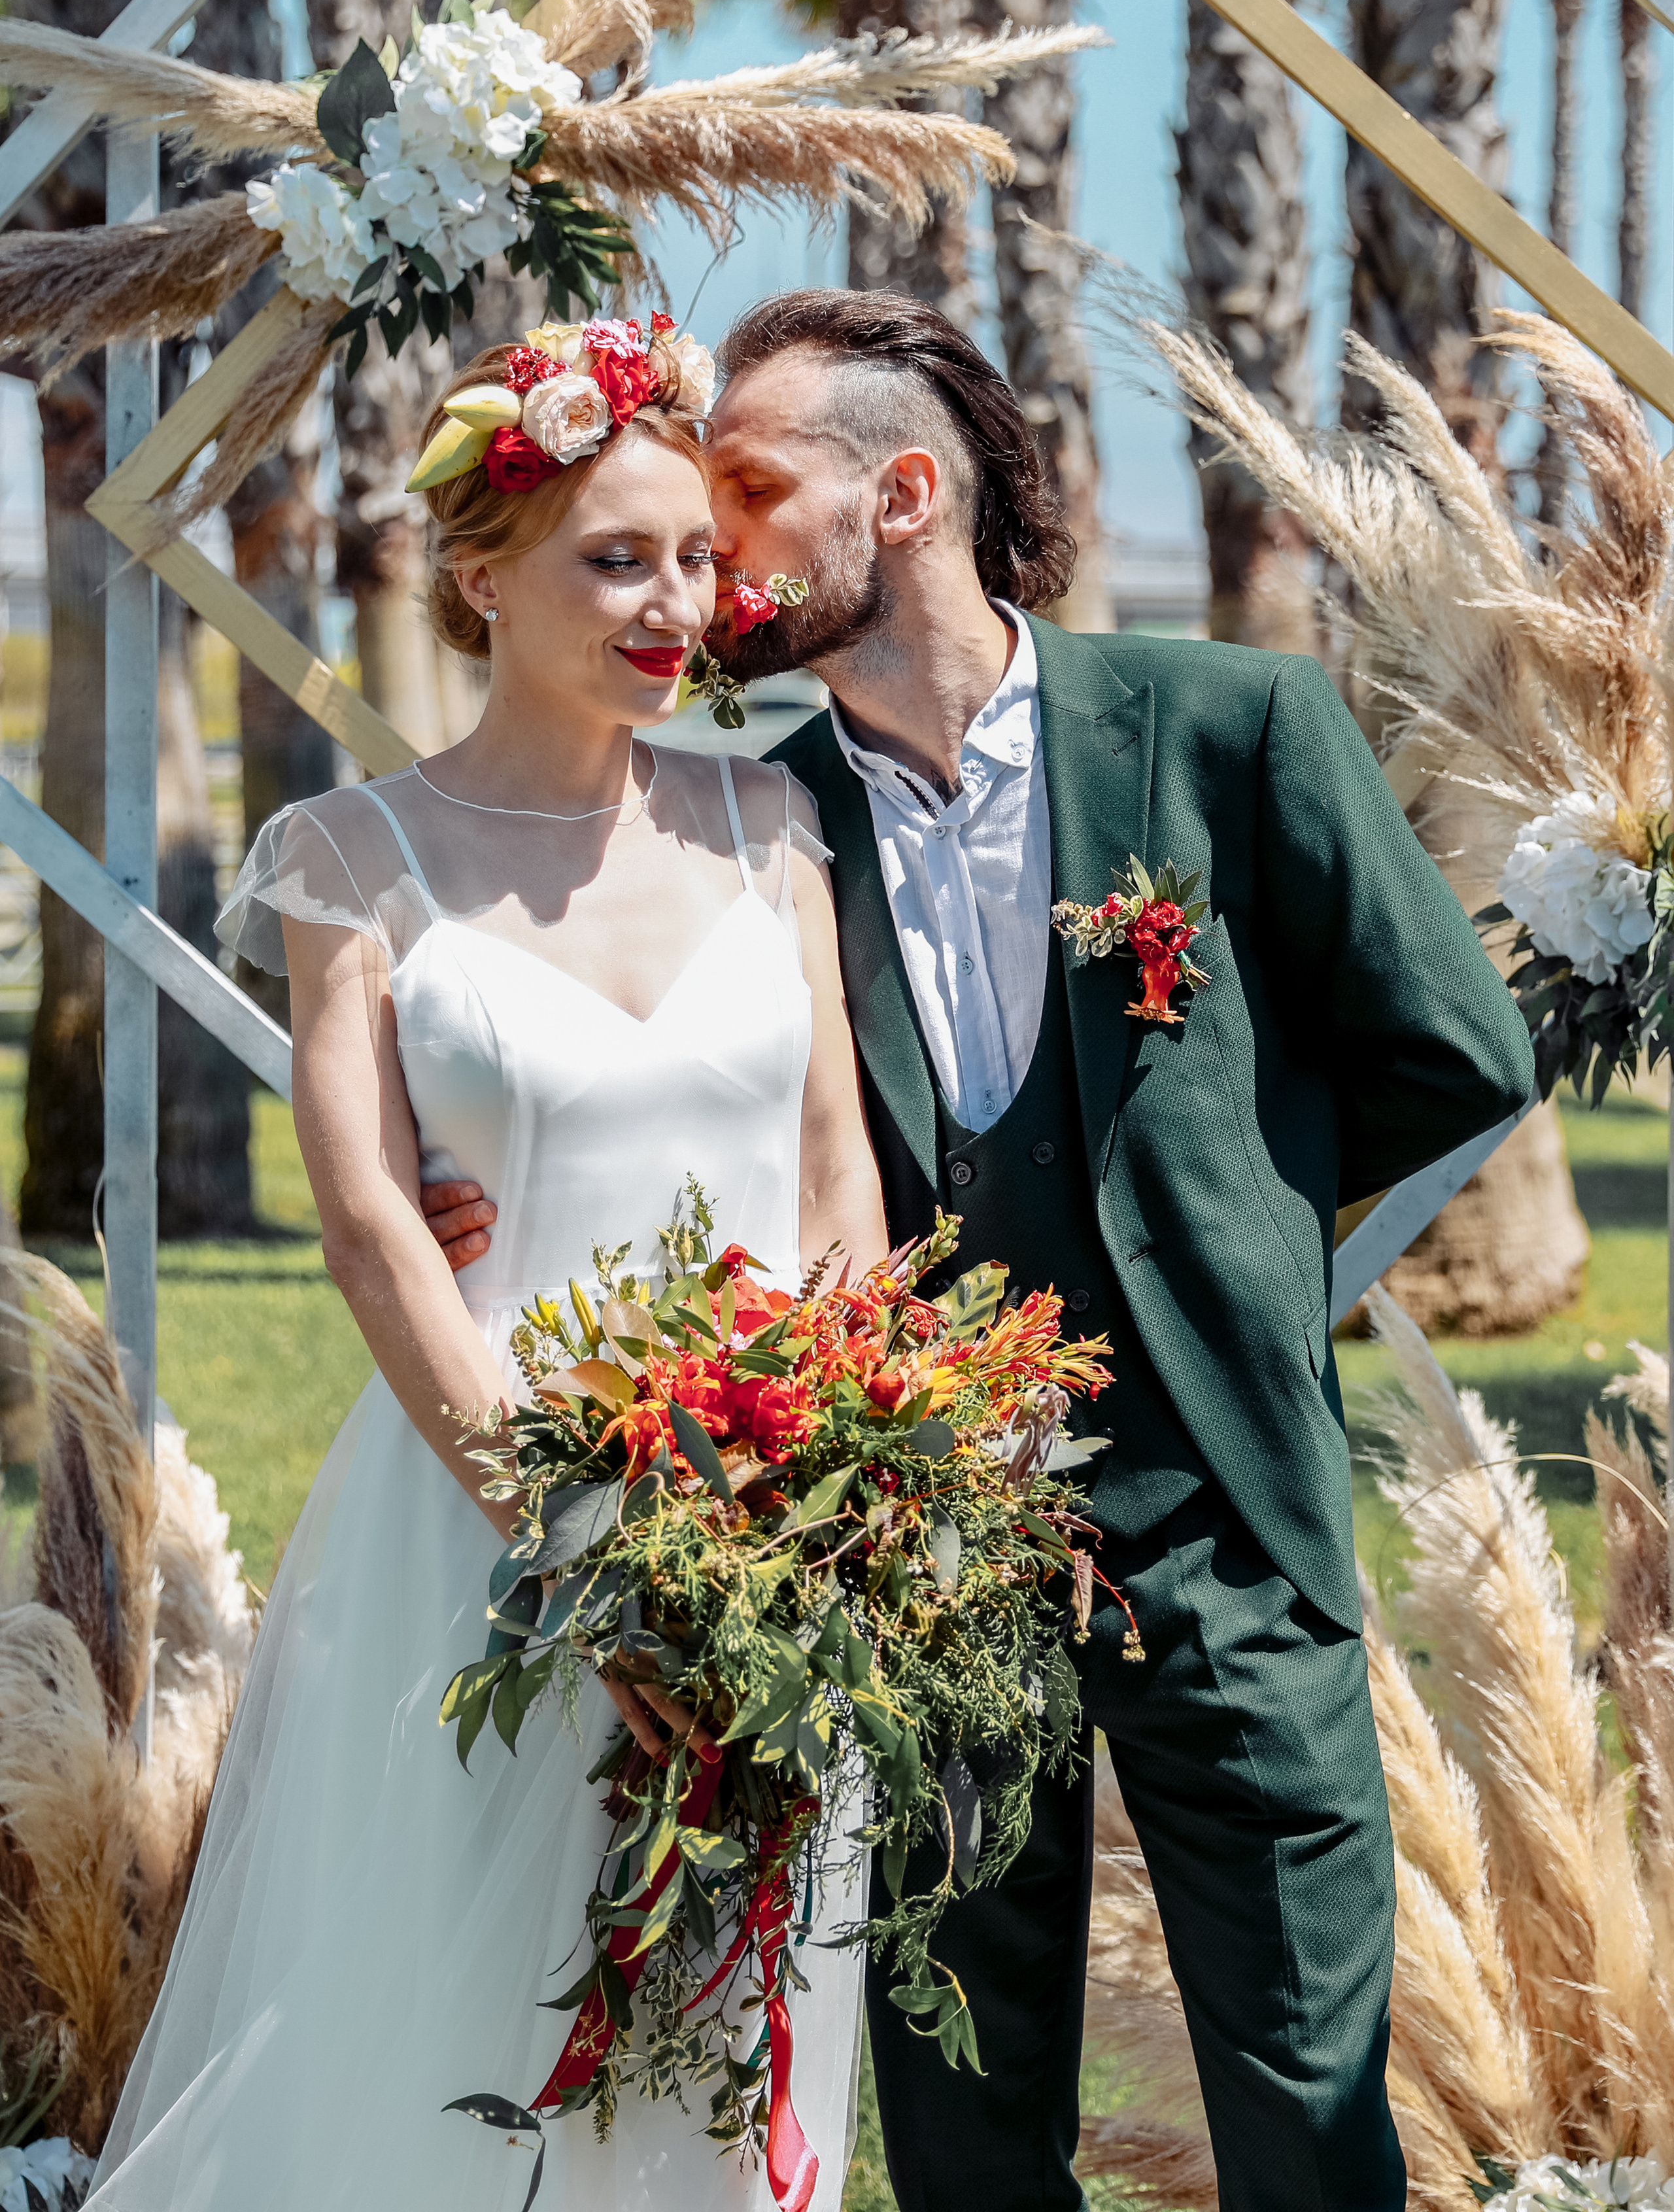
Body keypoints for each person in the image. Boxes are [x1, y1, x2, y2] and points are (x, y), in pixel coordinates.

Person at [423, 290, 1535, 2212]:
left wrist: (1237, 1223)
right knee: (963, 2107)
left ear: (907, 496)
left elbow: (1460, 1054)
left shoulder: (1228, 724)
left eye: (750, 486)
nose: (709, 531)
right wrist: (494, 1198)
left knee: (1306, 2094)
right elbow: (647, 1078)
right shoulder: (752, 823)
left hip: (1230, 1533)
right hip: (922, 1563)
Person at [88, 319, 887, 2212]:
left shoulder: (773, 829)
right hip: (489, 1526)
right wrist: (579, 1547)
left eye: (695, 557)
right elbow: (373, 1227)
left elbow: (834, 1163)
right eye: (618, 557)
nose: (672, 601)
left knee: (729, 2013)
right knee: (449, 2031)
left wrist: (832, 1470)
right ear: (480, 573)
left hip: (773, 1523)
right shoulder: (353, 861)